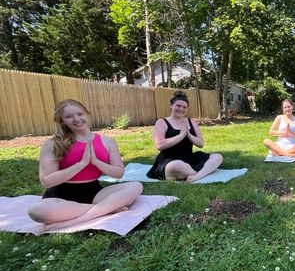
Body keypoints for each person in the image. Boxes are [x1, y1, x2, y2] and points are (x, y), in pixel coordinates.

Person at [27, 99, 143, 228]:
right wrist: (81, 164)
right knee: (36, 211)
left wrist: (97, 163)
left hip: (94, 192)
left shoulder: (107, 141)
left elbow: (118, 173)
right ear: (61, 121)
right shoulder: (53, 143)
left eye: (80, 114)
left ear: (87, 114)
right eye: (69, 116)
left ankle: (76, 220)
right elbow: (47, 181)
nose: (76, 119)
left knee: (136, 186)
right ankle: (105, 209)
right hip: (60, 194)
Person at [147, 91, 223, 182]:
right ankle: (204, 172)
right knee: (174, 166)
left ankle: (196, 177)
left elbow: (201, 144)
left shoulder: (191, 122)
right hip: (170, 160)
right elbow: (159, 145)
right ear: (171, 106)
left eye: (184, 107)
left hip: (189, 158)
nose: (181, 109)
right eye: (178, 106)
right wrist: (181, 135)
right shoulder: (162, 122)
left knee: (218, 157)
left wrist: (188, 134)